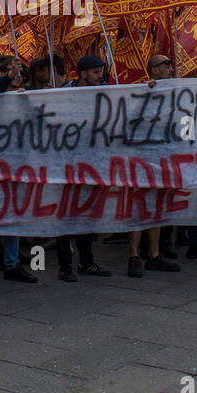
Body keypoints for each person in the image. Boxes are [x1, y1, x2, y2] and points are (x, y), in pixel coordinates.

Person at [0, 55, 40, 289]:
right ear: (2, 74)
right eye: (13, 70)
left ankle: (12, 265)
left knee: (14, 216)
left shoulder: (25, 98)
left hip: (18, 166)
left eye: (20, 70)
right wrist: (6, 80)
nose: (18, 74)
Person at [55, 56, 112, 282]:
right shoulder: (63, 93)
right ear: (83, 74)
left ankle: (86, 262)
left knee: (88, 214)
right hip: (68, 163)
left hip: (93, 163)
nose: (100, 76)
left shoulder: (105, 91)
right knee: (67, 215)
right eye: (96, 72)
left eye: (101, 72)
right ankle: (64, 265)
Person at [129, 55, 181, 276]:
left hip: (163, 157)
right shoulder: (140, 90)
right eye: (165, 64)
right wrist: (145, 93)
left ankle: (154, 255)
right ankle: (133, 256)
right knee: (138, 208)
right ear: (153, 69)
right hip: (141, 158)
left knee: (157, 208)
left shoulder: (174, 90)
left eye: (170, 64)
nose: (170, 67)